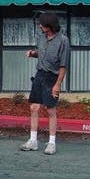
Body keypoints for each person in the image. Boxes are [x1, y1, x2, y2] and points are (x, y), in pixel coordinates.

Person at [20, 12, 70, 155]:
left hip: (52, 77)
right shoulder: (41, 38)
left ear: (49, 25)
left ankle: (52, 143)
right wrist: (33, 53)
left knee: (50, 110)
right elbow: (41, 53)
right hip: (39, 75)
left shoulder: (63, 40)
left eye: (42, 24)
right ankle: (33, 141)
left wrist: (58, 84)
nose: (40, 26)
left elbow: (63, 65)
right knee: (34, 108)